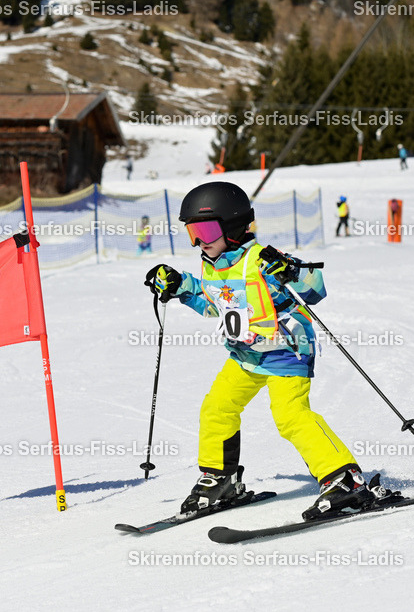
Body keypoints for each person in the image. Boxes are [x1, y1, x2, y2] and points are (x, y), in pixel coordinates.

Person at [144, 182, 388, 520]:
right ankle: (220, 480)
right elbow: (213, 305)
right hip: (246, 355)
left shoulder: (261, 260)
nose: (199, 241)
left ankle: (344, 479)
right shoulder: (212, 266)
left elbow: (315, 286)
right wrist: (180, 286)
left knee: (290, 416)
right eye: (192, 233)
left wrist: (290, 271)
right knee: (217, 407)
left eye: (205, 230)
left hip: (287, 351)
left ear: (231, 227)